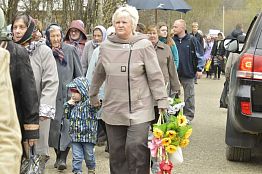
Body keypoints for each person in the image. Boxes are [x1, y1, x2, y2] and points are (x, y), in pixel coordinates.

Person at [89, 5, 168, 174]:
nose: (120, 25)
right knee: (117, 154)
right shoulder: (106, 46)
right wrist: (93, 94)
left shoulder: (144, 45)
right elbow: (98, 73)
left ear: (133, 24)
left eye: (124, 22)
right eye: (117, 22)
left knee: (135, 149)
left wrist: (162, 100)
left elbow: (155, 75)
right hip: (114, 108)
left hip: (139, 109)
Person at [11, 13, 59, 172]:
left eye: (22, 27)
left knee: (35, 158)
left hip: (38, 113)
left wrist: (44, 109)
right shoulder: (8, 51)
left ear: (30, 29)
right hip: (15, 111)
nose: (17, 31)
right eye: (15, 27)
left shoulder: (42, 51)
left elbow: (51, 82)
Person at [45, 23, 83, 171]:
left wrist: (79, 91)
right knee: (54, 129)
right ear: (48, 37)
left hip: (69, 96)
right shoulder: (45, 52)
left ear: (62, 36)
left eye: (58, 35)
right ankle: (57, 154)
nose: (56, 38)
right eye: (52, 36)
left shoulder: (70, 50)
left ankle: (62, 158)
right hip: (51, 96)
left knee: (67, 127)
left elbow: (79, 73)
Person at [0, 9, 22, 173]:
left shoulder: (15, 52)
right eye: (15, 27)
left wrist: (31, 127)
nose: (18, 31)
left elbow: (7, 134)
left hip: (17, 108)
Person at [172, 19, 205, 122]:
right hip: (175, 74)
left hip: (188, 73)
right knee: (174, 96)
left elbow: (200, 55)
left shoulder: (192, 40)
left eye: (175, 27)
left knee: (189, 96)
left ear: (182, 28)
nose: (173, 28)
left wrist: (199, 69)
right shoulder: (172, 40)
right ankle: (174, 116)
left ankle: (188, 117)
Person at [64, 77, 98, 174]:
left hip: (88, 137)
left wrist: (96, 101)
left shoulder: (89, 104)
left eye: (76, 92)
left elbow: (96, 108)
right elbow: (66, 115)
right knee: (77, 157)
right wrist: (68, 105)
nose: (73, 95)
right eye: (72, 92)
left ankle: (91, 168)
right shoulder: (72, 104)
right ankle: (77, 171)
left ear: (83, 91)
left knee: (89, 156)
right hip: (75, 137)